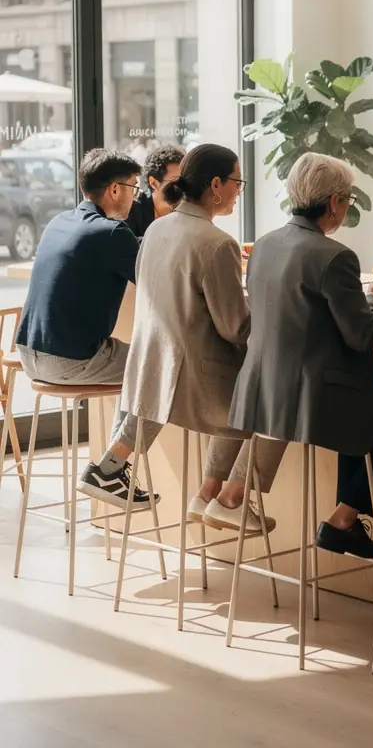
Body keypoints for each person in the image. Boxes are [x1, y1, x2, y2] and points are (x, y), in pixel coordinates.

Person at [230, 152, 373, 558]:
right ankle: (342, 519)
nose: (347, 208)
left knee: (365, 408)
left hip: (265, 394)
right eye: (349, 200)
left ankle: (347, 521)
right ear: (334, 202)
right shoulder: (334, 256)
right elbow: (362, 336)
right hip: (315, 402)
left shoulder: (264, 245)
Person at [117, 143, 283, 532]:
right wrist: (271, 307)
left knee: (253, 390)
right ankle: (230, 498)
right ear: (215, 185)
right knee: (281, 401)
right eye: (237, 181)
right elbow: (236, 329)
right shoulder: (217, 243)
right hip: (199, 393)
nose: (240, 190)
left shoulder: (156, 228)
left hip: (154, 388)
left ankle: (208, 493)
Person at [15, 148, 158, 508]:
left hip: (29, 353)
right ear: (114, 190)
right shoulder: (112, 233)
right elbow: (163, 280)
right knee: (163, 369)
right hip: (67, 360)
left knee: (141, 361)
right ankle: (109, 470)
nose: (136, 196)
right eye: (134, 188)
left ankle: (110, 468)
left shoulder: (60, 222)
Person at [125, 143, 185, 238]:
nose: (183, 186)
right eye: (176, 181)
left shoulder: (188, 209)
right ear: (153, 183)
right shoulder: (133, 211)